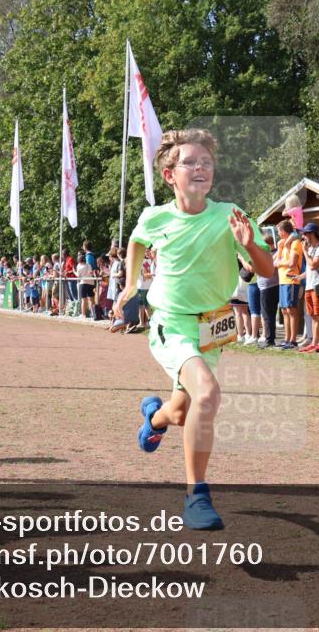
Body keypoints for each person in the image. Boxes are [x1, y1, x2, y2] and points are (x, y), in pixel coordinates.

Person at [114, 128, 273, 530]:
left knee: (185, 412)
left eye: (207, 162)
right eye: (190, 161)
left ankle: (154, 419)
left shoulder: (230, 214)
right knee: (209, 393)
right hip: (171, 322)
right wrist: (131, 285)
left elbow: (269, 270)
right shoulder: (157, 216)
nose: (201, 167)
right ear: (170, 175)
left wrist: (249, 246)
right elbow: (135, 241)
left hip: (213, 323)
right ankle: (196, 495)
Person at [297, 222, 319, 353]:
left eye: (305, 234)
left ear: (312, 234)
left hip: (318, 286)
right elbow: (310, 270)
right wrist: (299, 277)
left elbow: (314, 265)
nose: (303, 236)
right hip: (309, 286)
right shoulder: (311, 249)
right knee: (314, 316)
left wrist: (305, 252)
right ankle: (314, 343)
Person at [274, 219, 303, 350]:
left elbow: (292, 263)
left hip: (292, 280)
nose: (278, 234)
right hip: (282, 280)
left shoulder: (295, 243)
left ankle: (293, 340)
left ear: (284, 231)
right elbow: (276, 260)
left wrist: (280, 263)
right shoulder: (284, 244)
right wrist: (281, 247)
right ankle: (286, 338)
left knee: (291, 310)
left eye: (278, 231)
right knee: (284, 311)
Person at [256, 234, 279, 349]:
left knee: (268, 314)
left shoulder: (274, 254)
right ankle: (269, 338)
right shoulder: (268, 254)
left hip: (269, 286)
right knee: (268, 314)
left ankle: (270, 339)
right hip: (265, 286)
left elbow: (271, 269)